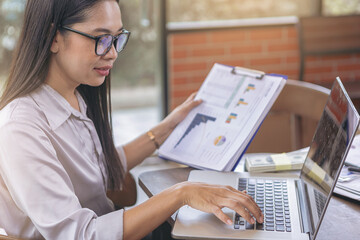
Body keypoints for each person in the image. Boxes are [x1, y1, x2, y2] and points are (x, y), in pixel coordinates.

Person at [0, 0, 263, 239]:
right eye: (101, 38)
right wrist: (182, 193)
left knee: (221, 227)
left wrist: (167, 128)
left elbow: (103, 166)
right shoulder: (21, 127)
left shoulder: (74, 97)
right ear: (52, 37)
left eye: (117, 39)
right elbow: (81, 235)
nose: (113, 52)